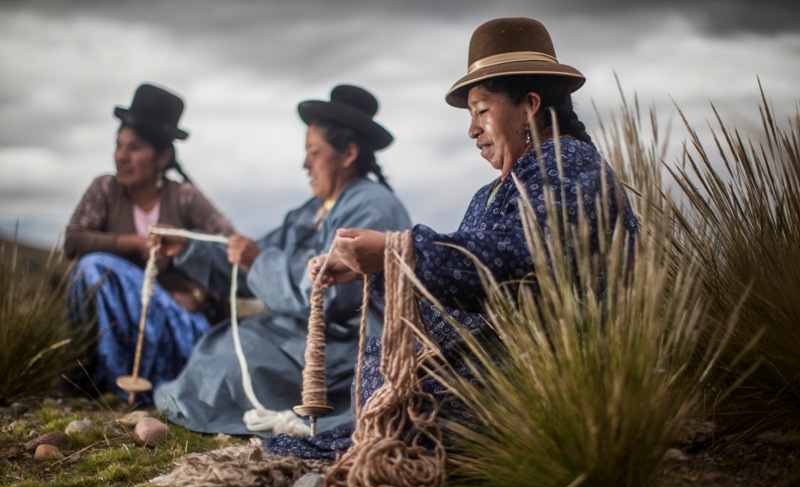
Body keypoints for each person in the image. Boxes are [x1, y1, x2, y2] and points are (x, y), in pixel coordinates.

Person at [266, 17, 640, 458]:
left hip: (553, 374)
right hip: (507, 361)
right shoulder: (493, 192)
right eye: (470, 115)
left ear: (530, 105)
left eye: (482, 110)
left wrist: (393, 250)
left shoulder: (568, 165)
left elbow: (514, 263)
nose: (472, 129)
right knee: (392, 391)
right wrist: (364, 266)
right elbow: (459, 280)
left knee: (408, 412)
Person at [153, 84, 412, 436]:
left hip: (344, 348)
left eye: (314, 152)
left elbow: (332, 296)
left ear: (348, 153)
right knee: (222, 342)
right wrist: (186, 250)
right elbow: (250, 271)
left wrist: (258, 261)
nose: (305, 163)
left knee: (232, 354)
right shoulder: (309, 211)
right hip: (296, 334)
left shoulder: (372, 206)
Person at [65, 82, 236, 403]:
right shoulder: (105, 189)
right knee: (91, 268)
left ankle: (139, 388)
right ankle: (99, 378)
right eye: (119, 146)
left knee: (95, 266)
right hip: (121, 329)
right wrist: (137, 244)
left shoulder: (184, 197)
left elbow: (231, 248)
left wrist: (198, 293)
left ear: (163, 157)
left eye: (135, 148)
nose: (122, 157)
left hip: (177, 330)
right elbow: (74, 240)